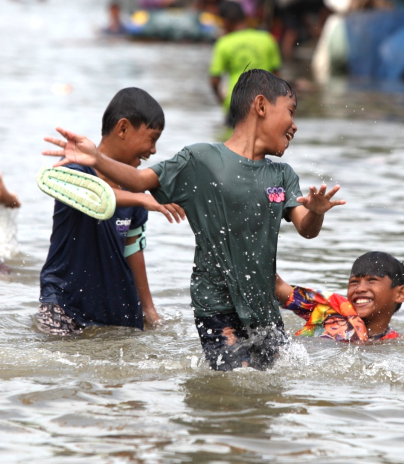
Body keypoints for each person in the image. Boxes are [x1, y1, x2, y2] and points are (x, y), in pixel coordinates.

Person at [43, 69, 346, 370]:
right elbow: (138, 180)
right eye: (291, 113)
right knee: (236, 385)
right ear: (261, 106)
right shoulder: (199, 161)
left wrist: (317, 212)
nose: (295, 126)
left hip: (262, 309)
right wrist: (96, 159)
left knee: (270, 393)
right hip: (217, 306)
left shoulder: (282, 175)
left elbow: (306, 229)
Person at [37, 88, 187, 335]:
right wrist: (143, 199)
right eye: (152, 138)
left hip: (114, 310)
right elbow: (97, 196)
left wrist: (149, 312)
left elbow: (133, 250)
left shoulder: (135, 189)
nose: (153, 151)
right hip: (64, 306)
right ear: (123, 128)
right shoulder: (73, 172)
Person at [275, 252, 404, 342]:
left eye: (372, 280)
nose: (360, 288)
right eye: (354, 282)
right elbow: (278, 287)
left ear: (400, 294)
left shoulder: (395, 342)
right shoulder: (332, 308)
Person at [209, 1, 281, 117]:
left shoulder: (223, 44)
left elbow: (214, 80)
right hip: (265, 105)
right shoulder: (268, 39)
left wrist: (222, 100)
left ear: (225, 21)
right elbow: (277, 77)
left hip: (236, 104)